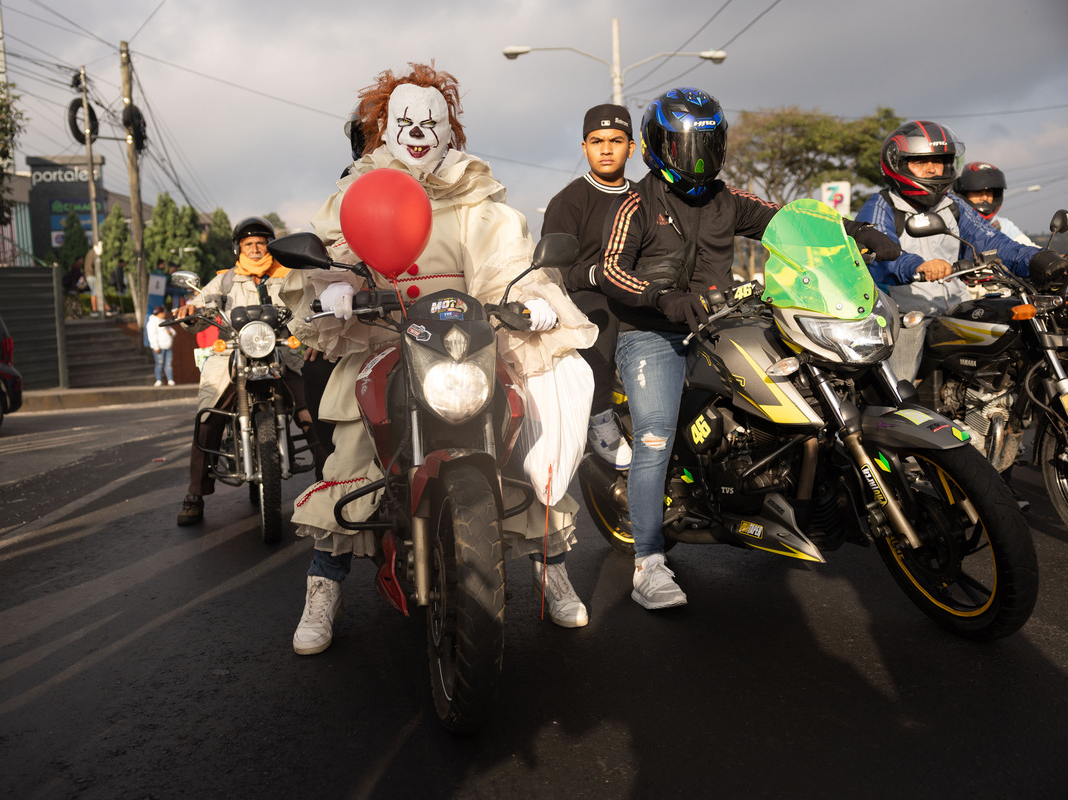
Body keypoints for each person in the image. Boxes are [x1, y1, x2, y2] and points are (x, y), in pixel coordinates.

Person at [283, 62, 598, 654]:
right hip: (384, 337)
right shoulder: (362, 186)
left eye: (432, 120)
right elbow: (336, 250)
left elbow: (507, 258)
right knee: (351, 455)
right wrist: (336, 287)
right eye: (406, 120)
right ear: (387, 127)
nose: (419, 131)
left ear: (450, 128)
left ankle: (552, 568)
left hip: (466, 342)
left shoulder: (476, 195)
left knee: (523, 442)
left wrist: (530, 300)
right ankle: (323, 588)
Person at [599, 87, 899, 611]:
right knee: (654, 438)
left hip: (725, 318)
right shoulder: (635, 203)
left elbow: (791, 222)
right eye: (686, 145)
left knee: (808, 379)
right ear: (658, 146)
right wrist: (662, 298)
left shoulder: (728, 200)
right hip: (653, 330)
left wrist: (859, 231)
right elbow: (611, 269)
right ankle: (648, 562)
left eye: (708, 144)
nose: (698, 157)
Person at [854, 121, 1064, 382]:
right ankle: (889, 416)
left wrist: (1040, 259)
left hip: (957, 307)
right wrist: (917, 266)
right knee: (900, 390)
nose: (932, 169)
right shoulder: (882, 205)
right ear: (898, 165)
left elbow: (994, 241)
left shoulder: (954, 205)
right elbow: (877, 253)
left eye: (939, 160)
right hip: (907, 314)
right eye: (921, 162)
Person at [174, 217, 316, 525]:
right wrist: (191, 311)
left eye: (261, 243)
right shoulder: (225, 280)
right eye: (248, 243)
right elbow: (203, 304)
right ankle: (195, 494)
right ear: (239, 247)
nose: (255, 249)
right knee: (209, 416)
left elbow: (309, 303)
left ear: (270, 246)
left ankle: (331, 482)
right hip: (234, 355)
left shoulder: (288, 275)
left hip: (281, 351)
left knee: (312, 413)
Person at [542, 103, 636, 469]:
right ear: (584, 148)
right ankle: (599, 415)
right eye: (597, 141)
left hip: (641, 292)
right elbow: (555, 272)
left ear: (632, 146)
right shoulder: (569, 201)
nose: (607, 149)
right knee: (604, 309)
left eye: (616, 140)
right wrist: (600, 275)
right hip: (586, 298)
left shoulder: (646, 197)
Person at [954, 161, 1035, 246]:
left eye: (989, 192)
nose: (984, 198)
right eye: (977, 192)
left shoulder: (1001, 225)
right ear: (963, 193)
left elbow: (1027, 247)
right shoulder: (952, 224)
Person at [146, 305, 176, 386]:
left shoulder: (164, 321)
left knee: (168, 364)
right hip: (159, 346)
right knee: (159, 363)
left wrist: (171, 333)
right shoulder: (152, 322)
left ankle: (170, 379)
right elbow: (152, 335)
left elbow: (173, 332)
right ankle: (158, 379)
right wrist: (155, 346)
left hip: (168, 345)